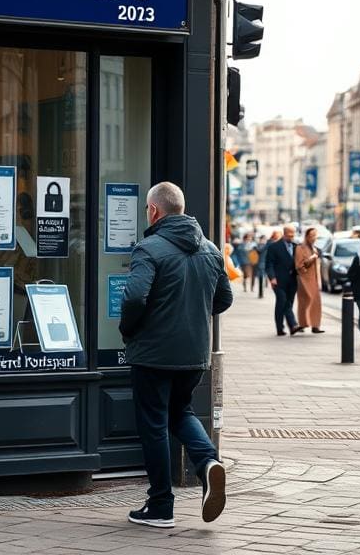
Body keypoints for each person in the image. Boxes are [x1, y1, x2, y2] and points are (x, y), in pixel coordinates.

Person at [119, 182, 233, 529]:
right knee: (179, 412)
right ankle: (207, 462)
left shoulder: (148, 248)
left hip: (153, 353)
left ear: (154, 211)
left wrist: (129, 330)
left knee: (154, 425)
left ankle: (160, 505)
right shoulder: (211, 250)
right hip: (194, 354)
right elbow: (224, 299)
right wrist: (193, 314)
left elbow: (135, 298)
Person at [264, 224, 301, 336]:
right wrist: (272, 278)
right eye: (289, 235)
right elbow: (269, 264)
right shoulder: (274, 247)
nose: (291, 237)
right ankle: (293, 325)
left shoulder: (296, 247)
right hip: (278, 281)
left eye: (293, 235)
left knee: (287, 303)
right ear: (284, 234)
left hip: (292, 281)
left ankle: (282, 328)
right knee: (283, 301)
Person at [294, 226, 324, 333]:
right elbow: (299, 265)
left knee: (316, 302)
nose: (314, 238)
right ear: (306, 236)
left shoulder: (314, 248)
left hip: (314, 279)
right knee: (306, 301)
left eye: (315, 235)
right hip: (304, 279)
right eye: (311, 236)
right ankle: (303, 324)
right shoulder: (300, 248)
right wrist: (312, 259)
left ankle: (315, 326)